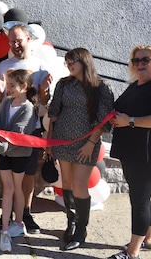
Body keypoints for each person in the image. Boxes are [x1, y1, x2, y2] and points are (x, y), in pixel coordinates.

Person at [108, 45, 151, 259]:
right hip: (133, 152)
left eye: (145, 59)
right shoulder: (136, 86)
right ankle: (149, 239)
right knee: (142, 199)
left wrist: (128, 121)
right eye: (135, 60)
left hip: (149, 154)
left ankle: (132, 253)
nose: (139, 64)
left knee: (138, 201)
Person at [46, 47, 114, 251]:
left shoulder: (100, 87)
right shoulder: (63, 84)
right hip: (62, 142)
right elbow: (54, 113)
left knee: (79, 185)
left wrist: (91, 143)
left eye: (71, 61)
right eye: (66, 62)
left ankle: (81, 230)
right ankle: (71, 222)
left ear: (84, 61)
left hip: (86, 144)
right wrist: (50, 142)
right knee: (66, 182)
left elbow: (104, 120)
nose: (68, 65)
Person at [0, 22, 52, 234]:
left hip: (32, 129)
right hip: (8, 130)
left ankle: (25, 213)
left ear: (28, 39)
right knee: (7, 176)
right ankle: (7, 214)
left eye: (19, 40)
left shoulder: (40, 66)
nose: (16, 44)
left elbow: (44, 100)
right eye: (12, 41)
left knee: (28, 175)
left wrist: (44, 91)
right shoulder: (2, 66)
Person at [0, 70, 38, 252]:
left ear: (24, 87)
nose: (8, 89)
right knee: (8, 189)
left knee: (17, 188)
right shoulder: (7, 102)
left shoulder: (29, 108)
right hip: (4, 153)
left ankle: (18, 222)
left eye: (11, 86)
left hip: (19, 155)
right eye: (7, 86)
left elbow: (19, 136)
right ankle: (5, 229)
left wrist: (0, 145)